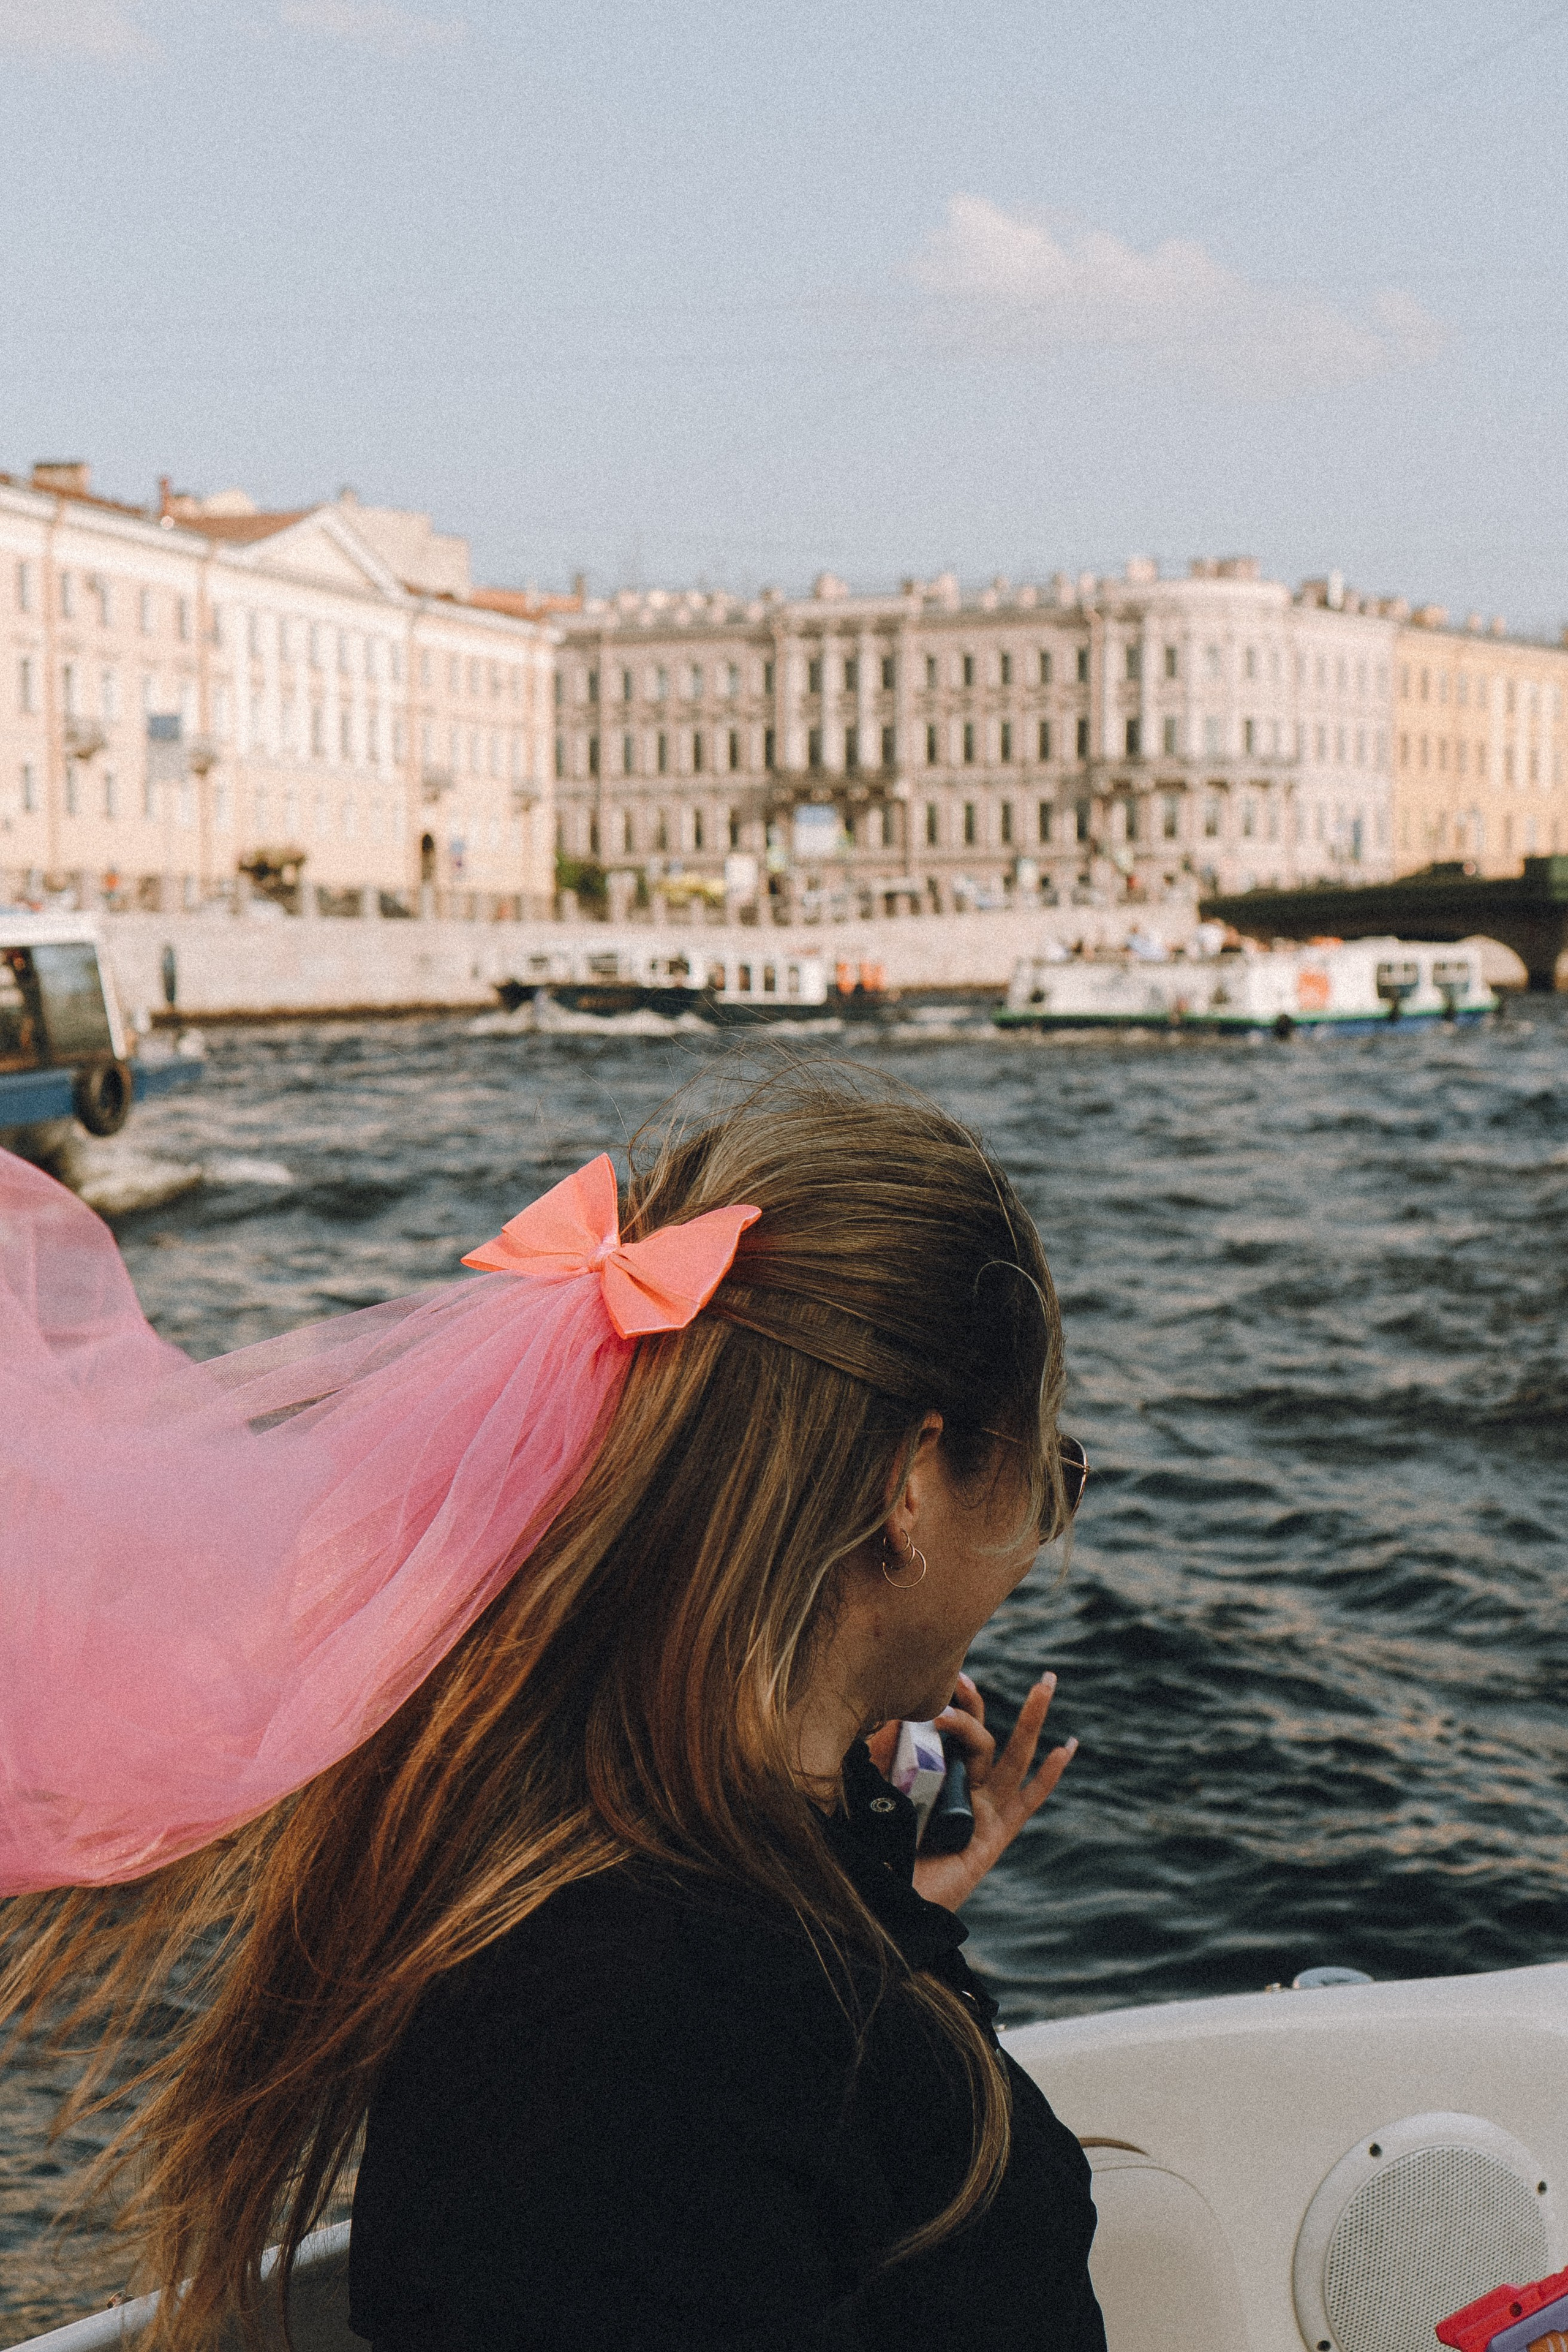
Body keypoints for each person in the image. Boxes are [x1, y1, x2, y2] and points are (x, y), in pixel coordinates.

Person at [0, 1061, 1102, 2350]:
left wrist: (880, 1913)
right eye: (1047, 1471)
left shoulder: (674, 1929)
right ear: (912, 1482)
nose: (1037, 1538)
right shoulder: (645, 2035)